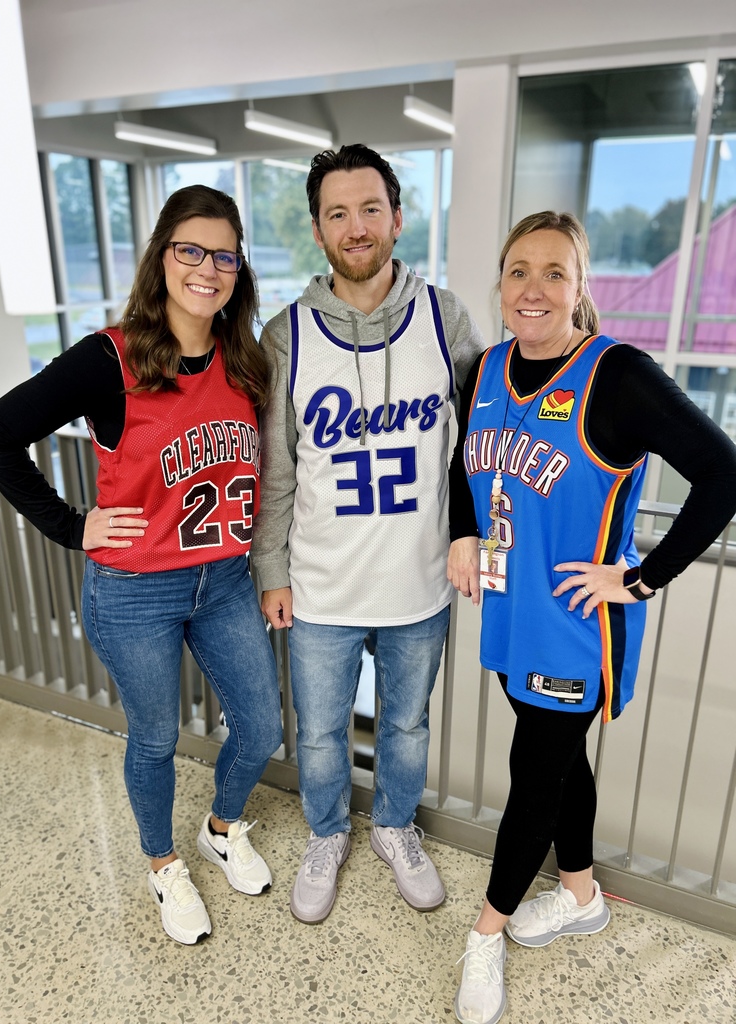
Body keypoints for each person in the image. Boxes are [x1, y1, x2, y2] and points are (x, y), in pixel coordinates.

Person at [0, 185, 283, 946]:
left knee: (263, 721)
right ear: (162, 257)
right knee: (154, 736)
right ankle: (163, 864)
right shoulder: (111, 356)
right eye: (190, 250)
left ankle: (221, 826)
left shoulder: (247, 360)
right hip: (135, 589)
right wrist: (74, 527)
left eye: (224, 255)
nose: (207, 268)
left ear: (238, 268)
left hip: (225, 581)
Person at [446, 211, 736, 1024]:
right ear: (501, 286)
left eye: (554, 272)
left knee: (534, 778)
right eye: (517, 271)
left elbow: (724, 473)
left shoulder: (618, 374)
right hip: (507, 613)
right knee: (560, 759)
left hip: (575, 626)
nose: (533, 288)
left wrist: (641, 579)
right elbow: (456, 468)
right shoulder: (488, 369)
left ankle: (486, 932)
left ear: (580, 289)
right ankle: (580, 893)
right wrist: (462, 531)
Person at [250, 143, 483, 924]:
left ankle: (392, 826)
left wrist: (478, 534)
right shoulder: (285, 335)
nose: (356, 227)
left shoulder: (444, 316)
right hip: (320, 588)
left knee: (406, 727)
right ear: (318, 230)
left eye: (370, 209)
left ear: (398, 216)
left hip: (420, 585)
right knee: (318, 734)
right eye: (338, 213)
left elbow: (482, 441)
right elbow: (277, 468)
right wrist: (270, 570)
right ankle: (325, 833)